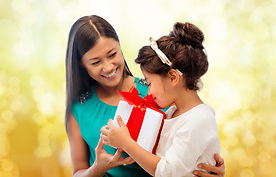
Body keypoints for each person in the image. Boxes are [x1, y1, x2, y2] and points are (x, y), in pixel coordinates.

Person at [65, 15, 225, 177]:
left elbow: (186, 150)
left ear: (120, 47)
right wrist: (98, 168)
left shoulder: (161, 95)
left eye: (112, 54)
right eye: (95, 62)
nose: (107, 67)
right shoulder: (80, 109)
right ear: (81, 64)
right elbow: (78, 171)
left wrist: (209, 165)